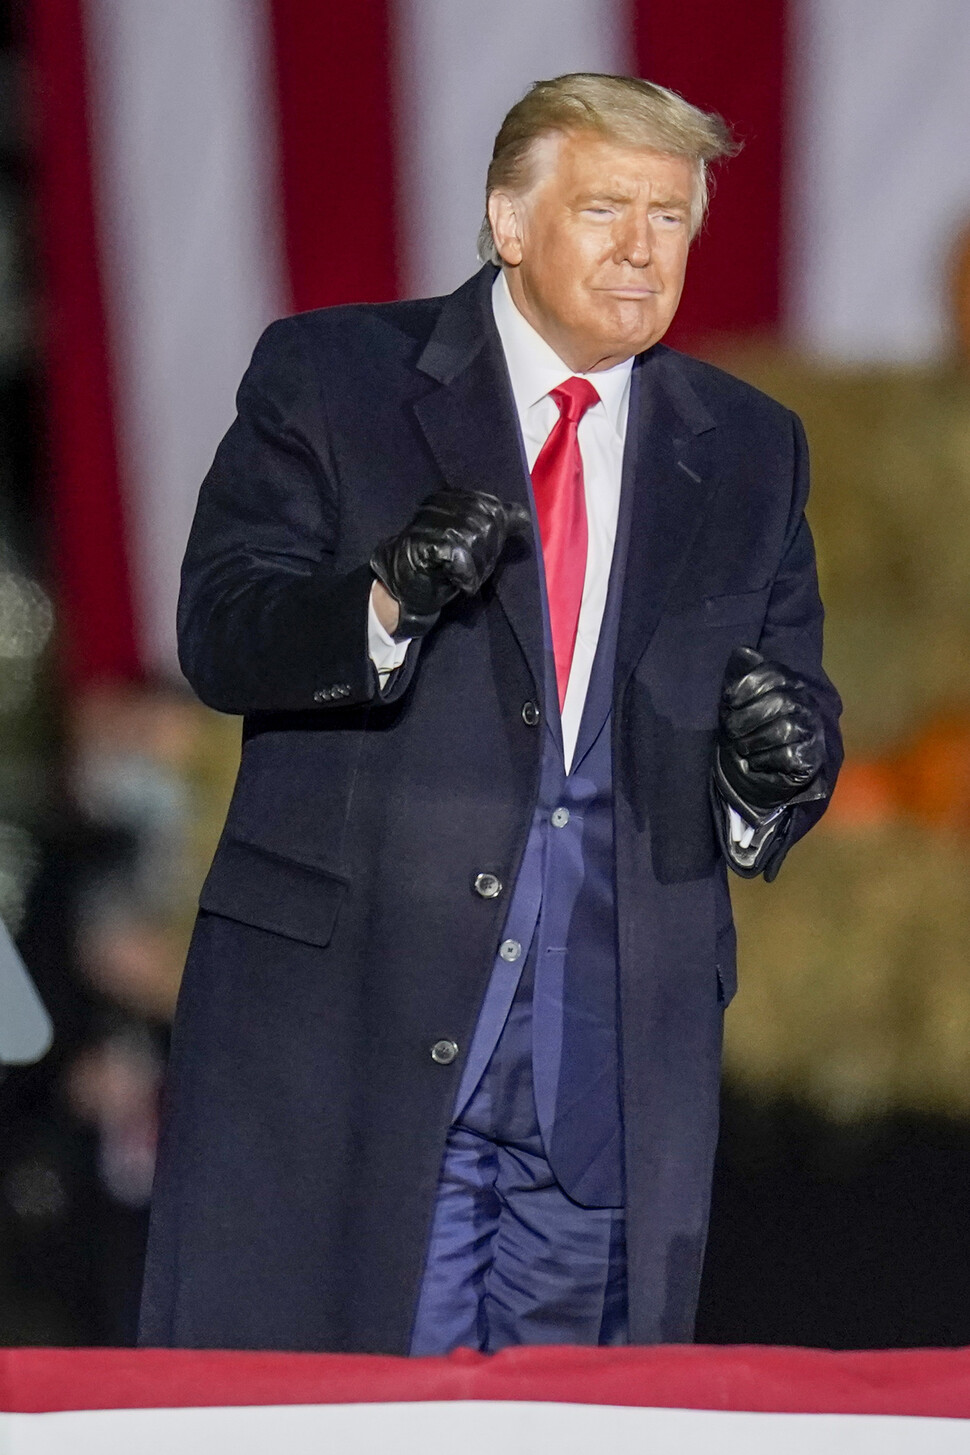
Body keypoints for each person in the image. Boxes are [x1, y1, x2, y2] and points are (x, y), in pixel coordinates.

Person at [139, 74, 842, 1355]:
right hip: (359, 1052)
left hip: (606, 1090)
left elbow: (789, 707)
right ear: (508, 225)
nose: (643, 248)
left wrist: (770, 773)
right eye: (606, 209)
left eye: (671, 218)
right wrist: (384, 600)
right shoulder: (334, 377)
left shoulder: (747, 446)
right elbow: (222, 632)